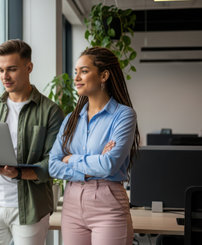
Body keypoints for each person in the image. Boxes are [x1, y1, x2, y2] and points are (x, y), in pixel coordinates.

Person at [0, 39, 64, 244]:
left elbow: (55, 163)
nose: (4, 76)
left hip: (31, 209)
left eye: (11, 69)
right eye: (0, 70)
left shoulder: (50, 111)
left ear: (29, 67)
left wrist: (18, 173)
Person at [48, 47, 140, 245]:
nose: (77, 78)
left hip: (107, 205)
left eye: (84, 71)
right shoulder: (71, 119)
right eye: (75, 72)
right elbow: (53, 165)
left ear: (103, 75)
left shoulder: (123, 116)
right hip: (71, 203)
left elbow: (109, 165)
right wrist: (93, 166)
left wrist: (70, 159)